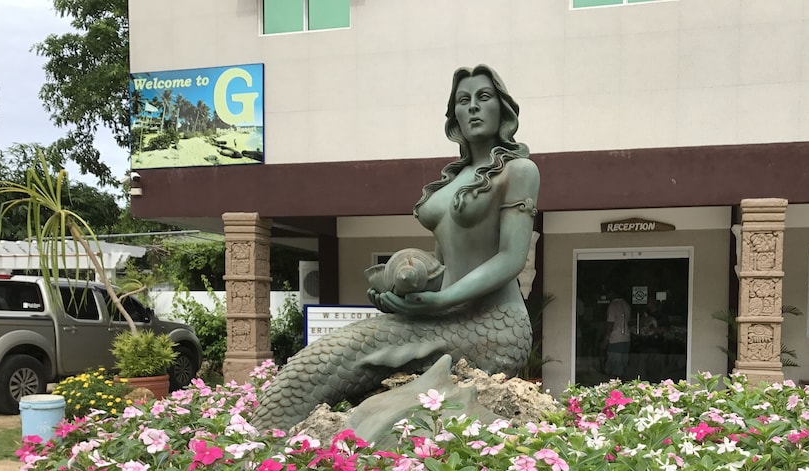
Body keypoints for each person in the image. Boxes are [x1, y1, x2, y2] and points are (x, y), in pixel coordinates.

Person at [253, 65, 540, 433]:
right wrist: (405, 294)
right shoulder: (453, 180)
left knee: (357, 348)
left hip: (497, 328)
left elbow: (511, 258)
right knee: (337, 350)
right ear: (454, 114)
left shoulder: (519, 171)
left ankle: (268, 436)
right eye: (463, 100)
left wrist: (441, 299)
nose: (472, 106)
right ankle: (265, 435)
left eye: (483, 97)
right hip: (446, 316)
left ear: (503, 108)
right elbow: (444, 265)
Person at [604, 288, 632, 380]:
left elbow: (610, 323)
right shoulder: (626, 305)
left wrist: (606, 338)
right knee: (623, 365)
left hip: (615, 338)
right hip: (626, 337)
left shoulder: (613, 305)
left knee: (614, 366)